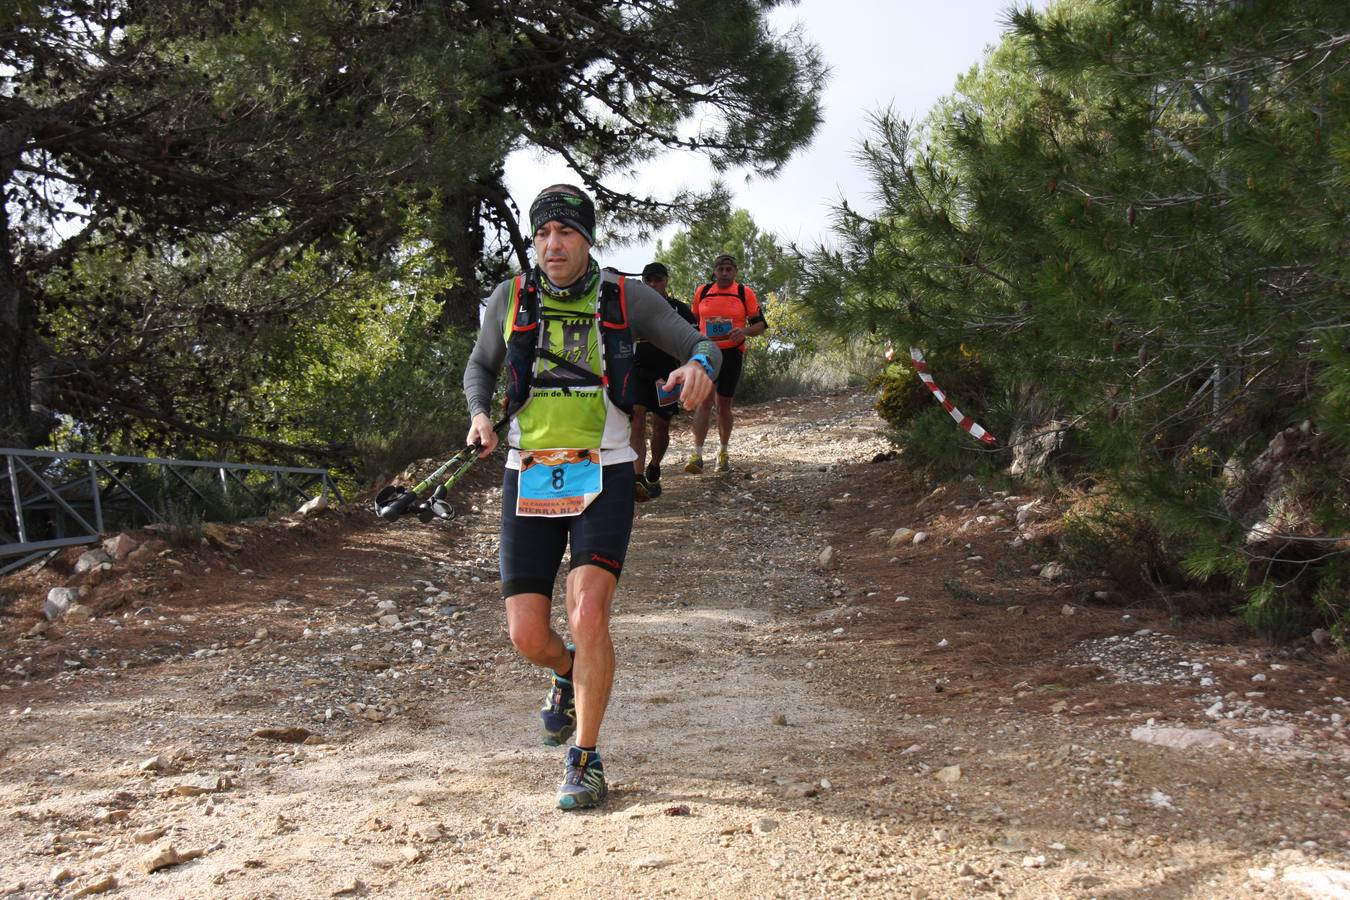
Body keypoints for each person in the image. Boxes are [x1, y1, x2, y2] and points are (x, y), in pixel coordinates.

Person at [462, 184, 720, 810]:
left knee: (589, 614)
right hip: (529, 470)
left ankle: (586, 756)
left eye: (567, 233)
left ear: (587, 238)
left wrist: (701, 367)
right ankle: (565, 672)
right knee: (528, 634)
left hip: (604, 473)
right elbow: (481, 366)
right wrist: (479, 415)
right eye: (544, 233)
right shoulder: (511, 297)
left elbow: (699, 340)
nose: (553, 244)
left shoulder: (625, 297)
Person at [685, 253, 766, 475]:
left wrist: (744, 331)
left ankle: (722, 452)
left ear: (735, 272)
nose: (724, 272)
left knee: (723, 405)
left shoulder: (744, 292)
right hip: (706, 353)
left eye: (729, 269)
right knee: (704, 402)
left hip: (731, 353)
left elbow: (760, 325)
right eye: (720, 268)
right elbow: (693, 321)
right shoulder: (702, 291)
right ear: (714, 270)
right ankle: (697, 454)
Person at [630, 261, 698, 501]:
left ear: (666, 280)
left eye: (658, 279)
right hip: (638, 371)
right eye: (648, 280)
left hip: (668, 375)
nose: (653, 284)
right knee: (637, 418)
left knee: (661, 426)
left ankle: (654, 467)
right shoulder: (633, 309)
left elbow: (695, 340)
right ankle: (637, 476)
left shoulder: (679, 309)